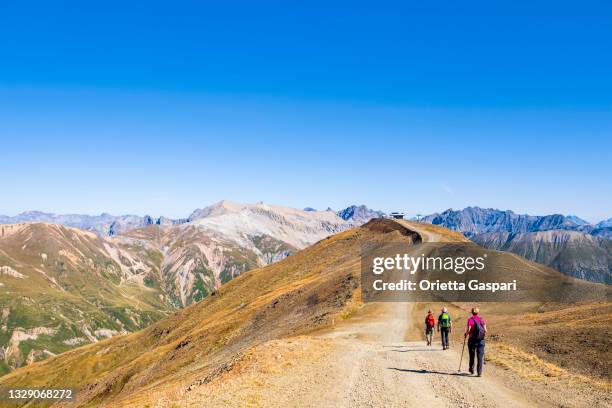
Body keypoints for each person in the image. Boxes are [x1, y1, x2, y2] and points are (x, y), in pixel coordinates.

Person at [465, 307, 487, 377]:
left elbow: (468, 330)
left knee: (472, 355)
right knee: (480, 357)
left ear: (472, 312)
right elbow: (485, 330)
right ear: (478, 312)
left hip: (472, 340)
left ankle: (471, 370)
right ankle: (479, 372)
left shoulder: (470, 320)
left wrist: (466, 334)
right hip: (481, 341)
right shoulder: (481, 320)